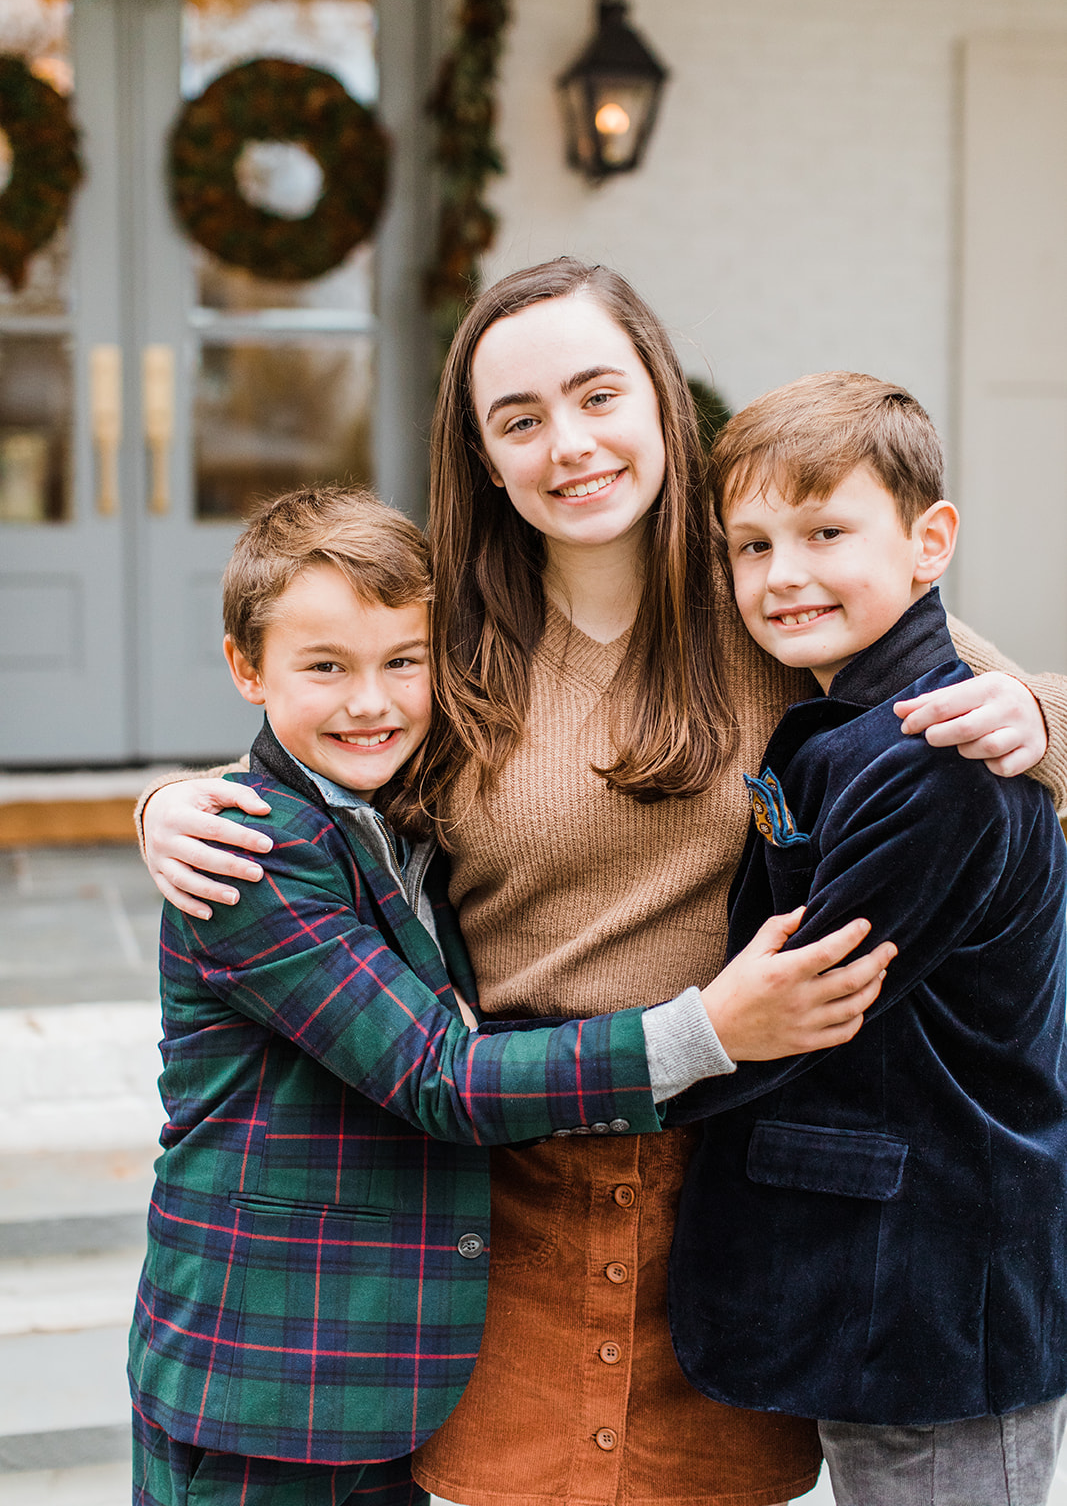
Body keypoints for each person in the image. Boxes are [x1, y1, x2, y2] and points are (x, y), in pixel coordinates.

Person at [139, 260, 1067, 1506]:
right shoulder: (452, 638)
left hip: (721, 1179)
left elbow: (980, 708)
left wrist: (1037, 715)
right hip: (506, 1181)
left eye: (596, 394)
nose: (566, 444)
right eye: (517, 420)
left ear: (661, 401)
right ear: (479, 453)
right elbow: (326, 732)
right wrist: (172, 800)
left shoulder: (771, 595)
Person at [130, 484, 891, 1506]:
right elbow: (438, 1076)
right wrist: (708, 1028)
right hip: (262, 1373)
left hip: (380, 1380)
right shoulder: (251, 855)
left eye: (403, 662)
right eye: (325, 667)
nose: (371, 701)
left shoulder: (392, 806)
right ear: (245, 668)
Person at [667, 372, 1067, 1506]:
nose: (780, 573)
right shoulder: (847, 719)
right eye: (747, 546)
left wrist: (574, 1080)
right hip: (877, 1276)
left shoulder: (936, 754)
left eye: (823, 531)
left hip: (936, 1290)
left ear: (926, 541)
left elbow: (804, 1002)